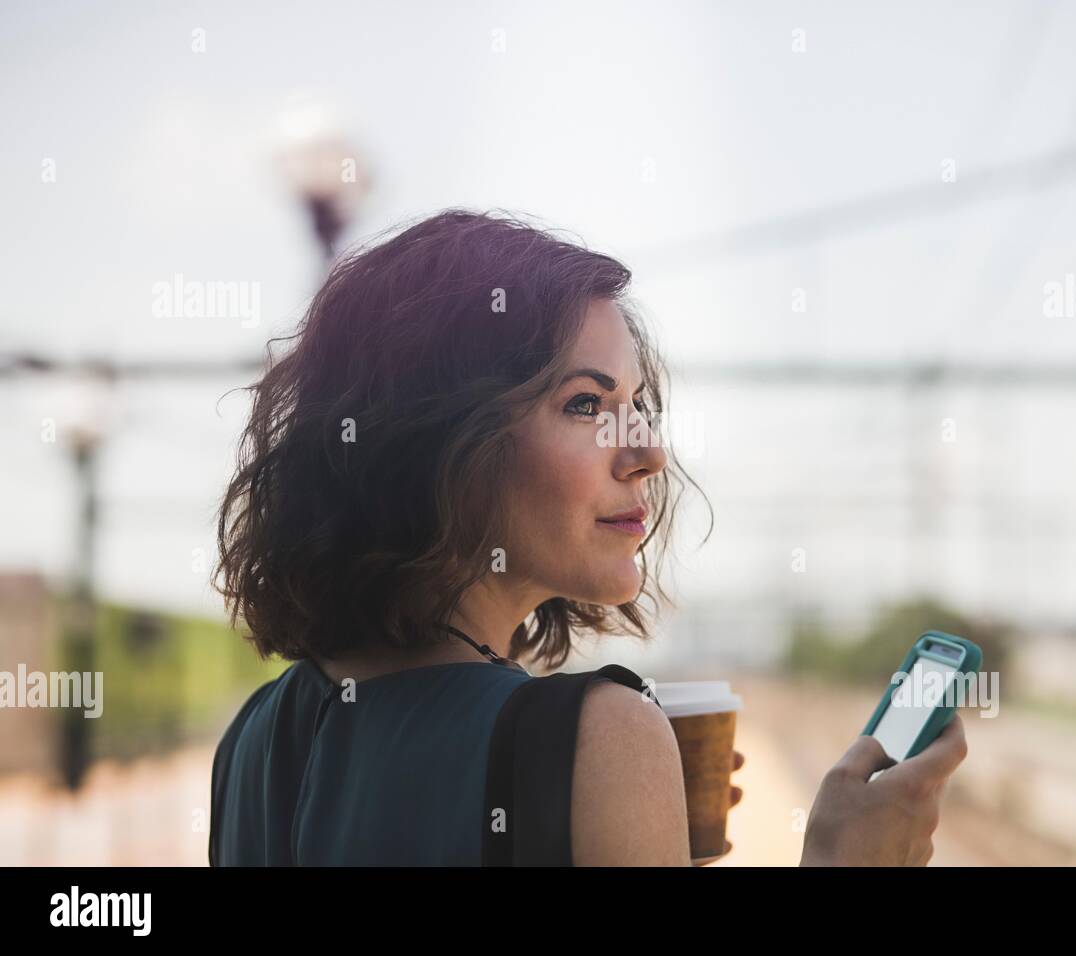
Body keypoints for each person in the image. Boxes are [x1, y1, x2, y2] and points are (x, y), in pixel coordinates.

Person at [207, 207, 967, 866]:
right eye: (583, 404)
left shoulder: (251, 742)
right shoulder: (600, 735)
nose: (647, 453)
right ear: (443, 443)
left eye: (637, 405)